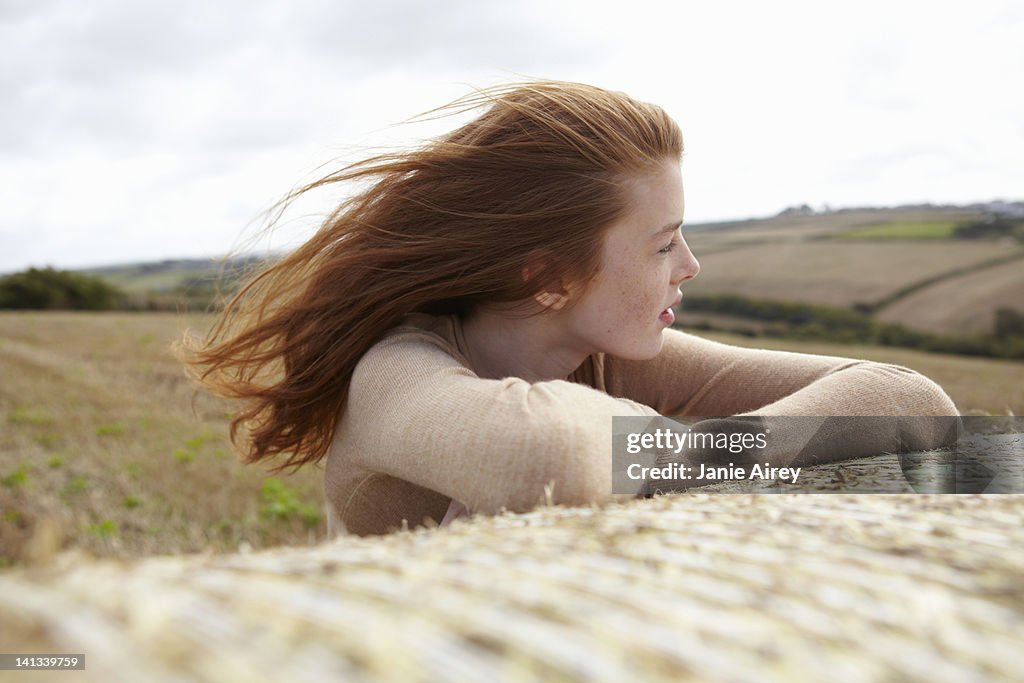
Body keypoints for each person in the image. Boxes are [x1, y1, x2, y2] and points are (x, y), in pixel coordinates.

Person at [179, 79, 958, 537]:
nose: (690, 266)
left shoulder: (606, 352)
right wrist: (717, 458)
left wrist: (689, 460)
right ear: (548, 278)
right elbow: (543, 456)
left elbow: (910, 403)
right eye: (662, 245)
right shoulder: (398, 372)